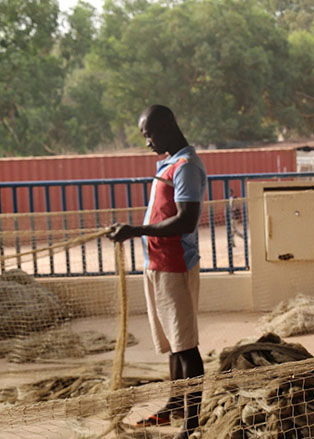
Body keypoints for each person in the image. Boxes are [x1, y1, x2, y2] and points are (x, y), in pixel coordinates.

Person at [108, 105, 207, 439]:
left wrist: (136, 230)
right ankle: (175, 404)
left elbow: (186, 220)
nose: (147, 141)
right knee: (171, 345)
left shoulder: (186, 166)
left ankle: (191, 424)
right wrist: (136, 233)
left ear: (167, 125)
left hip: (175, 266)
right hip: (157, 265)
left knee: (186, 347)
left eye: (149, 133)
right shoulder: (169, 163)